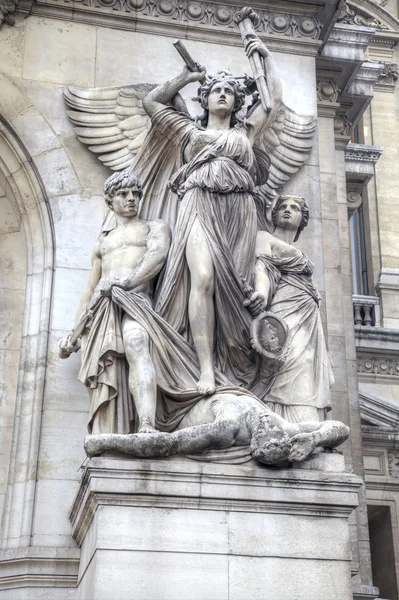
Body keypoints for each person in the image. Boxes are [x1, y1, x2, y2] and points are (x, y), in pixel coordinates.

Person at [141, 34, 283, 397]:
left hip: (239, 210)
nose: (222, 93)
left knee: (235, 286)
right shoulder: (187, 130)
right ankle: (204, 369)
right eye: (215, 89)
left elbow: (272, 102)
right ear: (204, 99)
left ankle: (229, 366)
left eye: (229, 91)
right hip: (198, 204)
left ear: (236, 102)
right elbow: (151, 101)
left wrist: (265, 57)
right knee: (201, 277)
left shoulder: (245, 132)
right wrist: (187, 78)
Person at [59, 171, 171, 434]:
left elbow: (157, 257)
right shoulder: (102, 242)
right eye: (123, 194)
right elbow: (89, 290)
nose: (131, 199)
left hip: (136, 300)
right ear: (110, 201)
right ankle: (107, 430)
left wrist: (126, 283)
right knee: (103, 368)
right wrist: (74, 333)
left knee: (136, 343)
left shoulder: (153, 227)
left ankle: (146, 424)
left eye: (135, 194)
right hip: (101, 309)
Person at [245, 194, 334, 422]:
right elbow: (261, 266)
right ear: (273, 215)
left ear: (302, 218)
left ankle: (304, 419)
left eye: (294, 208)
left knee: (306, 362)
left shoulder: (298, 250)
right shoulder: (264, 237)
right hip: (285, 309)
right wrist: (262, 294)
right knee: (286, 360)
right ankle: (281, 420)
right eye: (282, 207)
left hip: (308, 317)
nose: (287, 210)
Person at [84, 391, 349, 466]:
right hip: (219, 384)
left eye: (268, 441)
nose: (271, 430)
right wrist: (314, 439)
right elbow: (340, 428)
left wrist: (104, 441)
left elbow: (167, 444)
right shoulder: (286, 427)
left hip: (185, 399)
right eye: (277, 439)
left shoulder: (227, 427)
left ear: (254, 443)